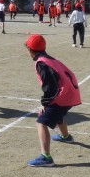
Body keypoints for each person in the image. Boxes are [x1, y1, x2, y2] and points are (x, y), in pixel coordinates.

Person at [25, 34, 81, 167]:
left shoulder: (41, 63)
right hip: (70, 94)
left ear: (31, 50)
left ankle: (46, 157)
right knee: (58, 114)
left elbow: (51, 86)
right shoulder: (50, 59)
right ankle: (66, 137)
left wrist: (45, 103)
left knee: (41, 122)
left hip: (63, 95)